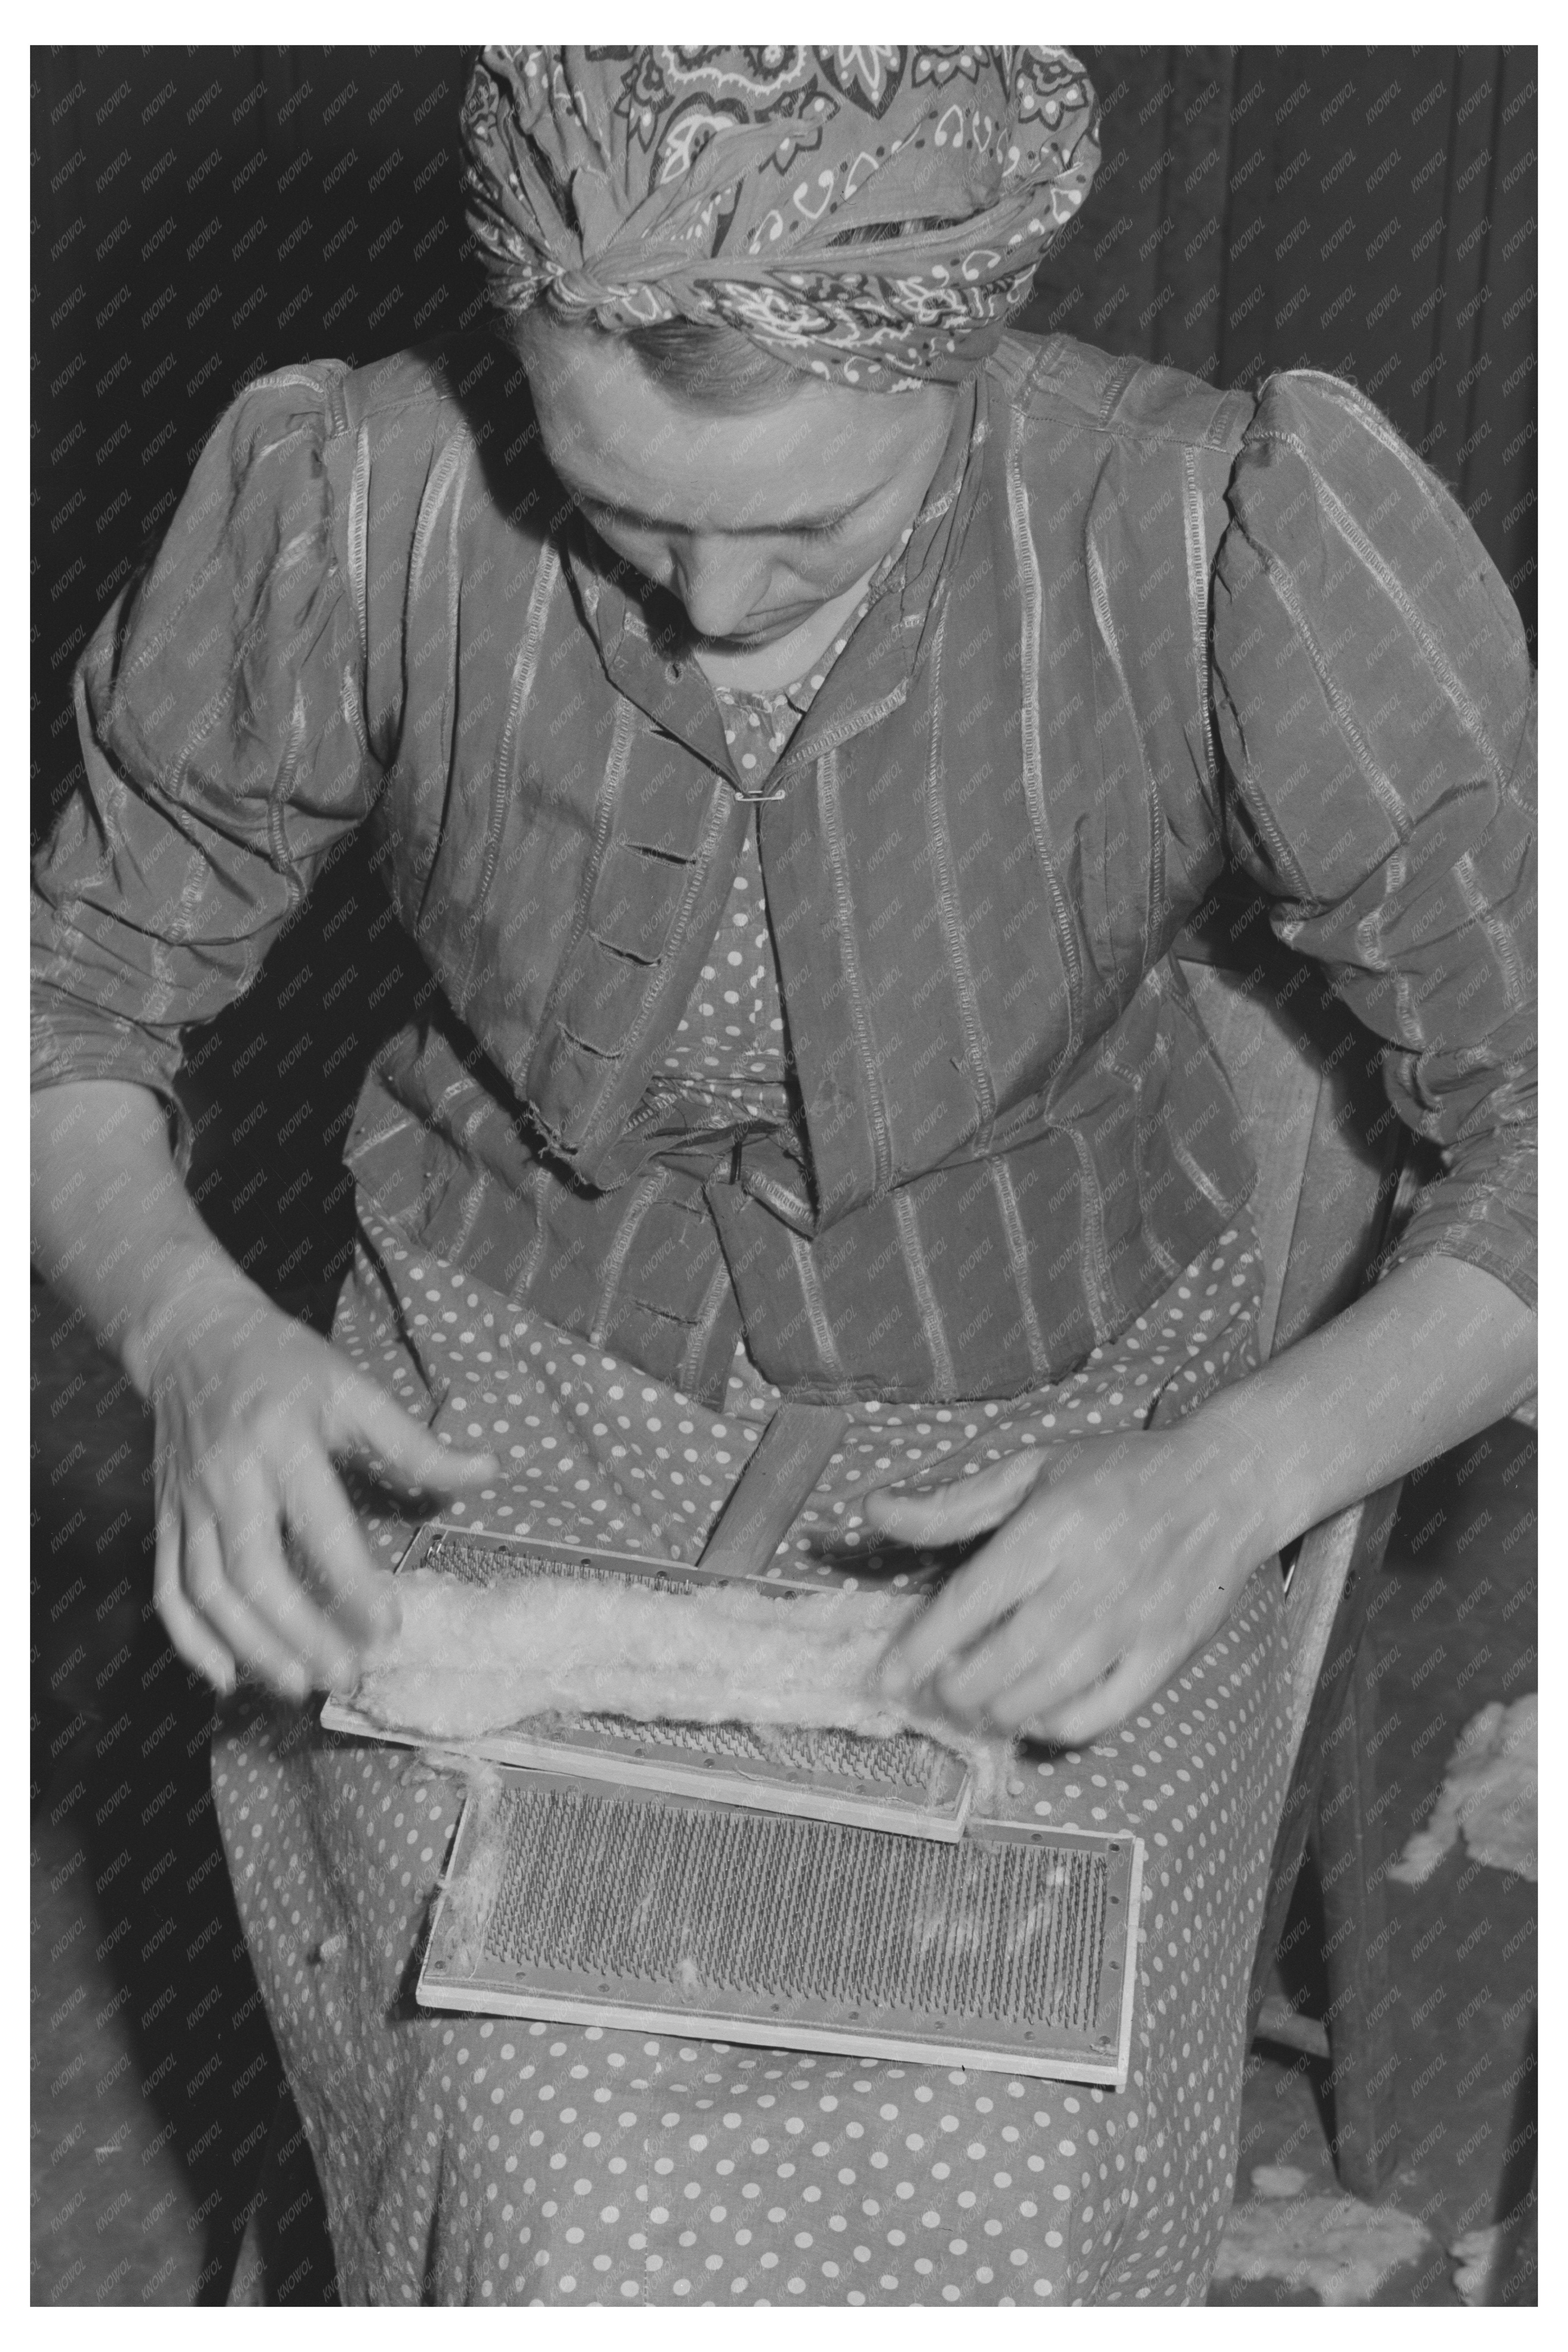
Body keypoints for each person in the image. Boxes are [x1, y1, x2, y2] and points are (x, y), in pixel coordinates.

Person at [31, 46, 1534, 2306]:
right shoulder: (357, 493)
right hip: (500, 1406)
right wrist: (191, 1336)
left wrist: (1226, 1483)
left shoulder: (1222, 530)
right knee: (544, 2174)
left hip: (1072, 1435)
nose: (715, 607)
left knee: (1005, 2169)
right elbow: (70, 1006)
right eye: (613, 512)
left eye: (815, 532)